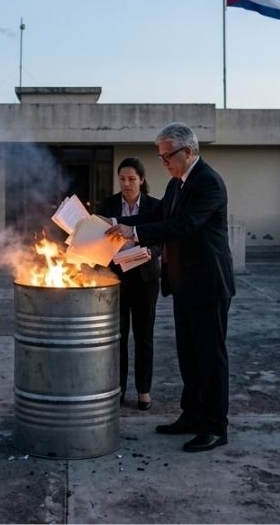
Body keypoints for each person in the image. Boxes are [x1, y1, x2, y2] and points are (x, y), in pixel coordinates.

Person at [106, 122, 235, 453]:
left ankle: (215, 426)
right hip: (184, 283)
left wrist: (133, 235)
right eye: (160, 156)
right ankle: (191, 416)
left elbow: (184, 224)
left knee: (210, 357)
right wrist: (117, 225)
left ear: (188, 152)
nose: (162, 162)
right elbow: (159, 214)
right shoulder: (178, 184)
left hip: (208, 283)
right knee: (188, 356)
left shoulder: (208, 183)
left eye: (167, 156)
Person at [97, 158, 162, 411]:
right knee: (118, 336)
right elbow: (98, 238)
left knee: (144, 336)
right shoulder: (108, 205)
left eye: (131, 179)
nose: (126, 183)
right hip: (116, 279)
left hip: (145, 278)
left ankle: (144, 391)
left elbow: (161, 238)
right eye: (122, 179)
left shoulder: (153, 206)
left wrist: (151, 252)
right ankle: (119, 389)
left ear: (142, 180)